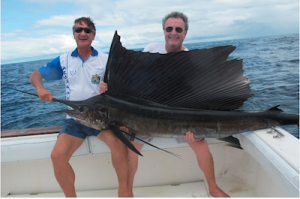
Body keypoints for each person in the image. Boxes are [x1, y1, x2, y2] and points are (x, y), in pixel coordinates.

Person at [100, 12, 230, 197]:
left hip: (179, 118)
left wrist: (195, 129)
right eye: (169, 29)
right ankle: (127, 193)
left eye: (178, 29)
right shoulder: (151, 49)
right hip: (145, 117)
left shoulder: (189, 59)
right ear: (164, 31)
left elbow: (195, 97)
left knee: (201, 145)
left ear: (185, 33)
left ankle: (213, 187)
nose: (173, 33)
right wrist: (108, 86)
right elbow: (132, 81)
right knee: (131, 150)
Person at [30, 17, 129, 197]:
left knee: (118, 144)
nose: (83, 33)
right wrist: (40, 88)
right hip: (75, 120)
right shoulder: (64, 60)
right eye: (78, 30)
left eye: (87, 31)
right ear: (73, 34)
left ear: (93, 35)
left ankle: (125, 192)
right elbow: (35, 75)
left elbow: (122, 88)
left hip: (102, 119)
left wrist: (110, 87)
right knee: (57, 156)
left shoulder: (106, 60)